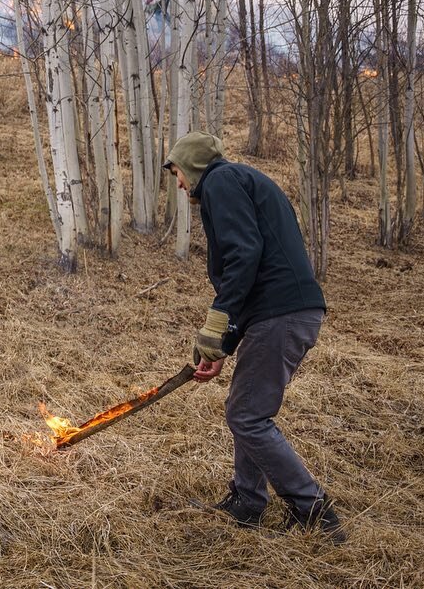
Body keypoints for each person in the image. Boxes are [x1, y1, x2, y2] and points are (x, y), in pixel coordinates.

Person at [163, 131, 346, 543]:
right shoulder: (238, 182)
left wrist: (215, 325)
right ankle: (247, 501)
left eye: (178, 173)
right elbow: (251, 270)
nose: (178, 184)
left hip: (282, 315)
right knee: (246, 409)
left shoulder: (221, 181)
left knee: (247, 416)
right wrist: (222, 347)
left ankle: (312, 509)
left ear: (193, 166)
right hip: (280, 313)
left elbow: (243, 256)